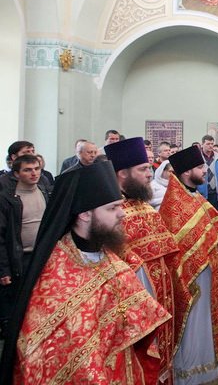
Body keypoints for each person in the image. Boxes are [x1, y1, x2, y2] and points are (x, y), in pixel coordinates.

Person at [0, 161, 170, 383]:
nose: (122, 214)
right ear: (84, 215)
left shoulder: (112, 260)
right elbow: (42, 354)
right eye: (112, 208)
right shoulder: (54, 275)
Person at [105, 137, 181, 384]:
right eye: (143, 169)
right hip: (133, 303)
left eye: (149, 168)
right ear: (122, 173)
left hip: (161, 298)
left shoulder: (146, 208)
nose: (150, 174)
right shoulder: (110, 213)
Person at [160, 145, 218, 385]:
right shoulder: (174, 202)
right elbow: (179, 247)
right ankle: (191, 377)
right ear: (186, 172)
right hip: (191, 280)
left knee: (207, 326)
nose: (205, 171)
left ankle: (211, 371)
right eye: (200, 167)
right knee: (193, 327)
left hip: (207, 273)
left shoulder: (194, 196)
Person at [0, 154, 49, 334]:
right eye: (27, 170)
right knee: (19, 304)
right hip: (20, 259)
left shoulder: (46, 192)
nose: (34, 173)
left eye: (36, 169)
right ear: (16, 174)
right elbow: (1, 237)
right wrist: (4, 270)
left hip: (43, 255)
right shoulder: (7, 199)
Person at [197, 135, 218, 211]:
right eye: (208, 144)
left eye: (212, 144)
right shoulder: (198, 157)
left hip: (215, 192)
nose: (210, 146)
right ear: (202, 144)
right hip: (202, 192)